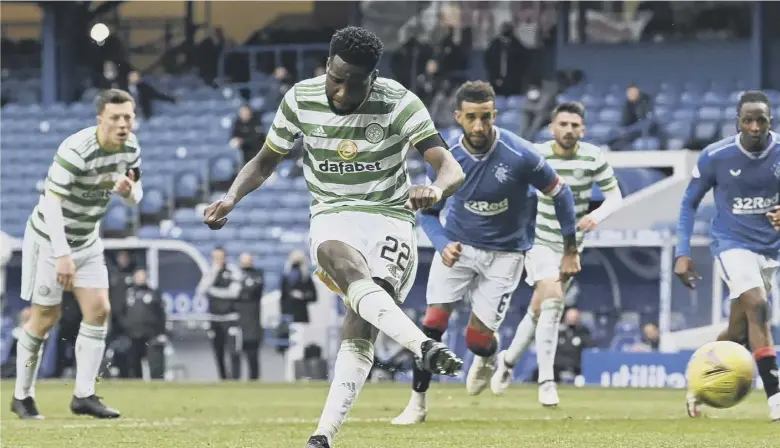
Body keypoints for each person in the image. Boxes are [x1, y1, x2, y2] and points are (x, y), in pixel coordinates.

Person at [202, 26, 466, 448]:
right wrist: (231, 198)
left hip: (390, 216)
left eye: (354, 83)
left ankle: (327, 430)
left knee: (361, 320)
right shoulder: (300, 99)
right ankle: (418, 348)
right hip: (332, 214)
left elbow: (451, 168)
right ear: (327, 65)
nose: (342, 92)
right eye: (336, 79)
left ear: (373, 78)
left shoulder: (399, 102)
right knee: (339, 260)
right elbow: (264, 161)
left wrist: (436, 189)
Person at [391, 82, 580, 425]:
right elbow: (430, 215)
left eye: (485, 117)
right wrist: (441, 243)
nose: (479, 126)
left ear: (495, 114)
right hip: (458, 247)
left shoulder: (521, 154)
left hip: (506, 254)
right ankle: (417, 404)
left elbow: (561, 194)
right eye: (471, 118)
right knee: (432, 324)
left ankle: (488, 356)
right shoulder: (446, 158)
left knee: (477, 340)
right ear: (459, 117)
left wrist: (570, 249)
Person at [12, 89, 142, 419]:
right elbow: (52, 202)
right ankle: (22, 396)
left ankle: (84, 395)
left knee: (99, 310)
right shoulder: (76, 150)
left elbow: (135, 195)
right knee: (44, 319)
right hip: (49, 240)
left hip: (86, 240)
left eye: (128, 116)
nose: (123, 123)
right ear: (101, 120)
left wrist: (129, 193)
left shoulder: (131, 149)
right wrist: (61, 254)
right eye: (115, 117)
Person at [492, 102, 623, 406]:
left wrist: (597, 215)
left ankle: (508, 362)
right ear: (552, 128)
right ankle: (547, 381)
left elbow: (615, 195)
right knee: (553, 305)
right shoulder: (537, 154)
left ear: (583, 130)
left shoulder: (592, 156)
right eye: (563, 124)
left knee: (538, 310)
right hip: (538, 240)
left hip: (571, 246)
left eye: (575, 125)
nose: (569, 130)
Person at [675, 90, 780, 421]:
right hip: (731, 243)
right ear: (737, 122)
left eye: (760, 120)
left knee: (739, 332)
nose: (754, 126)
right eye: (747, 120)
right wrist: (682, 252)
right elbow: (688, 203)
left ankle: (697, 387)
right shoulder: (715, 156)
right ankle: (776, 398)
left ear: (770, 121)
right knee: (759, 306)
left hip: (771, 249)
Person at [201, 247, 244, 380]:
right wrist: (214, 272)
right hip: (214, 319)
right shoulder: (209, 271)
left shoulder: (233, 271)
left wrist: (213, 291)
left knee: (234, 352)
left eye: (220, 256)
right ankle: (223, 379)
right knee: (218, 352)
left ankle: (235, 380)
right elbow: (202, 290)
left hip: (230, 318)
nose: (218, 259)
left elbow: (234, 293)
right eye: (215, 257)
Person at [237, 252, 264, 380]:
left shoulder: (258, 273)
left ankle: (254, 378)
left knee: (253, 353)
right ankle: (233, 379)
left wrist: (243, 290)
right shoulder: (236, 274)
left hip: (253, 319)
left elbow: (254, 289)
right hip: (239, 318)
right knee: (235, 352)